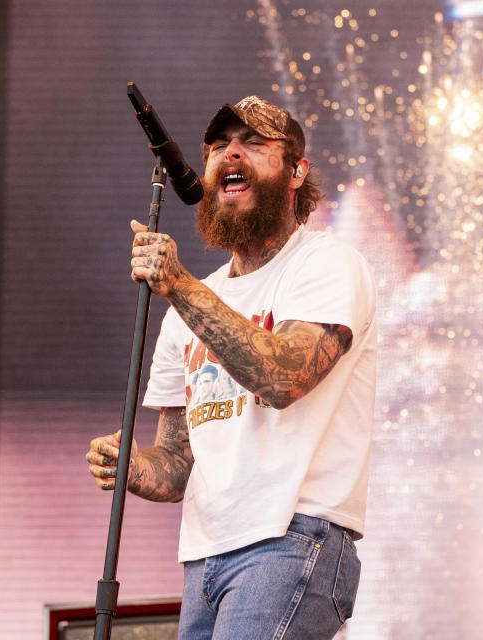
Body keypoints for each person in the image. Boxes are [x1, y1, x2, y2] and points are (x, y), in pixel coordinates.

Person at [86, 95, 377, 638]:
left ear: (297, 172)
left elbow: (285, 377)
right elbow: (178, 461)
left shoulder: (328, 263)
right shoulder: (192, 302)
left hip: (293, 537)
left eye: (255, 145)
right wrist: (129, 464)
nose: (231, 156)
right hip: (206, 553)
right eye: (219, 147)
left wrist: (178, 286)